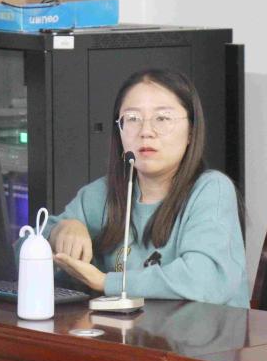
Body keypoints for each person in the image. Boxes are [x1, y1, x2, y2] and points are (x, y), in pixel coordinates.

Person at [33, 68, 249, 308]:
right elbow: (21, 253)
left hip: (202, 331)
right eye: (133, 119)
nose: (146, 132)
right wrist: (60, 231)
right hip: (124, 330)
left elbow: (206, 280)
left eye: (162, 118)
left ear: (191, 130)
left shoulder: (211, 190)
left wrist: (106, 282)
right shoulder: (101, 194)